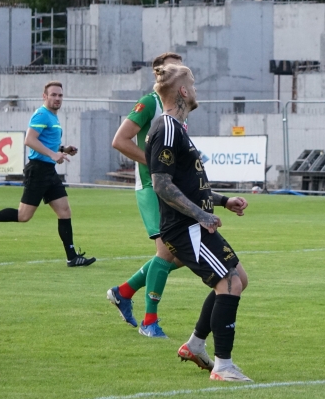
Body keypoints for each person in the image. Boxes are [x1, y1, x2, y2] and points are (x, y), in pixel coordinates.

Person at [146, 60, 252, 381]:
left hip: (193, 223)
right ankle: (223, 365)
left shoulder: (177, 128)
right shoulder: (166, 127)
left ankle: (195, 345)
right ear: (182, 91)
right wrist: (201, 214)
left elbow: (189, 183)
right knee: (229, 281)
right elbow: (161, 184)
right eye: (192, 84)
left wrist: (221, 201)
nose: (195, 90)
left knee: (237, 279)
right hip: (186, 227)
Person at [107, 52, 186, 338]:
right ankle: (149, 322)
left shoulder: (178, 107)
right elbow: (119, 140)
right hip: (152, 187)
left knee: (179, 254)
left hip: (171, 188)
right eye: (175, 68)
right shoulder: (149, 102)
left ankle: (123, 291)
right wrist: (155, 164)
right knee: (167, 252)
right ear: (159, 75)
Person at [0, 81, 95, 267]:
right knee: (24, 216)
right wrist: (54, 154)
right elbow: (29, 140)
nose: (57, 98)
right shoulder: (42, 114)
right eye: (53, 95)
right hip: (38, 170)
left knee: (64, 211)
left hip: (49, 171)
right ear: (44, 96)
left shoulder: (52, 117)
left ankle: (72, 257)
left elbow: (45, 142)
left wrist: (64, 148)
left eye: (60, 95)